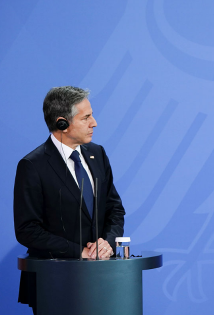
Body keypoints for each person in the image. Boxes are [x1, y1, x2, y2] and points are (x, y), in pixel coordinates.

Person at [13, 86, 125, 314]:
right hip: (55, 282)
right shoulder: (33, 165)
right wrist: (79, 251)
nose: (94, 123)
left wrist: (107, 242)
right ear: (62, 123)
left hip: (101, 280)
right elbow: (27, 230)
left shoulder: (98, 154)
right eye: (86, 117)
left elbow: (114, 208)